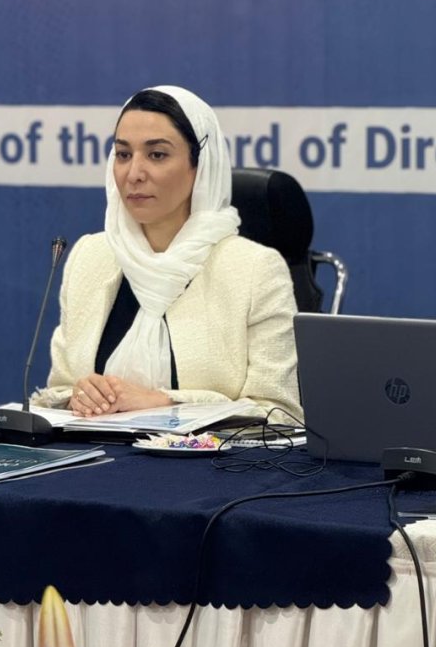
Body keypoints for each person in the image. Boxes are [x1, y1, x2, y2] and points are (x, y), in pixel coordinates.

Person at [31, 85, 302, 422]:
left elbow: (280, 413)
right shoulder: (90, 257)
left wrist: (166, 403)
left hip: (206, 457)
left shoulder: (255, 270)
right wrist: (79, 397)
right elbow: (56, 392)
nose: (134, 174)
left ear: (200, 165)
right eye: (123, 154)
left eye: (157, 155)